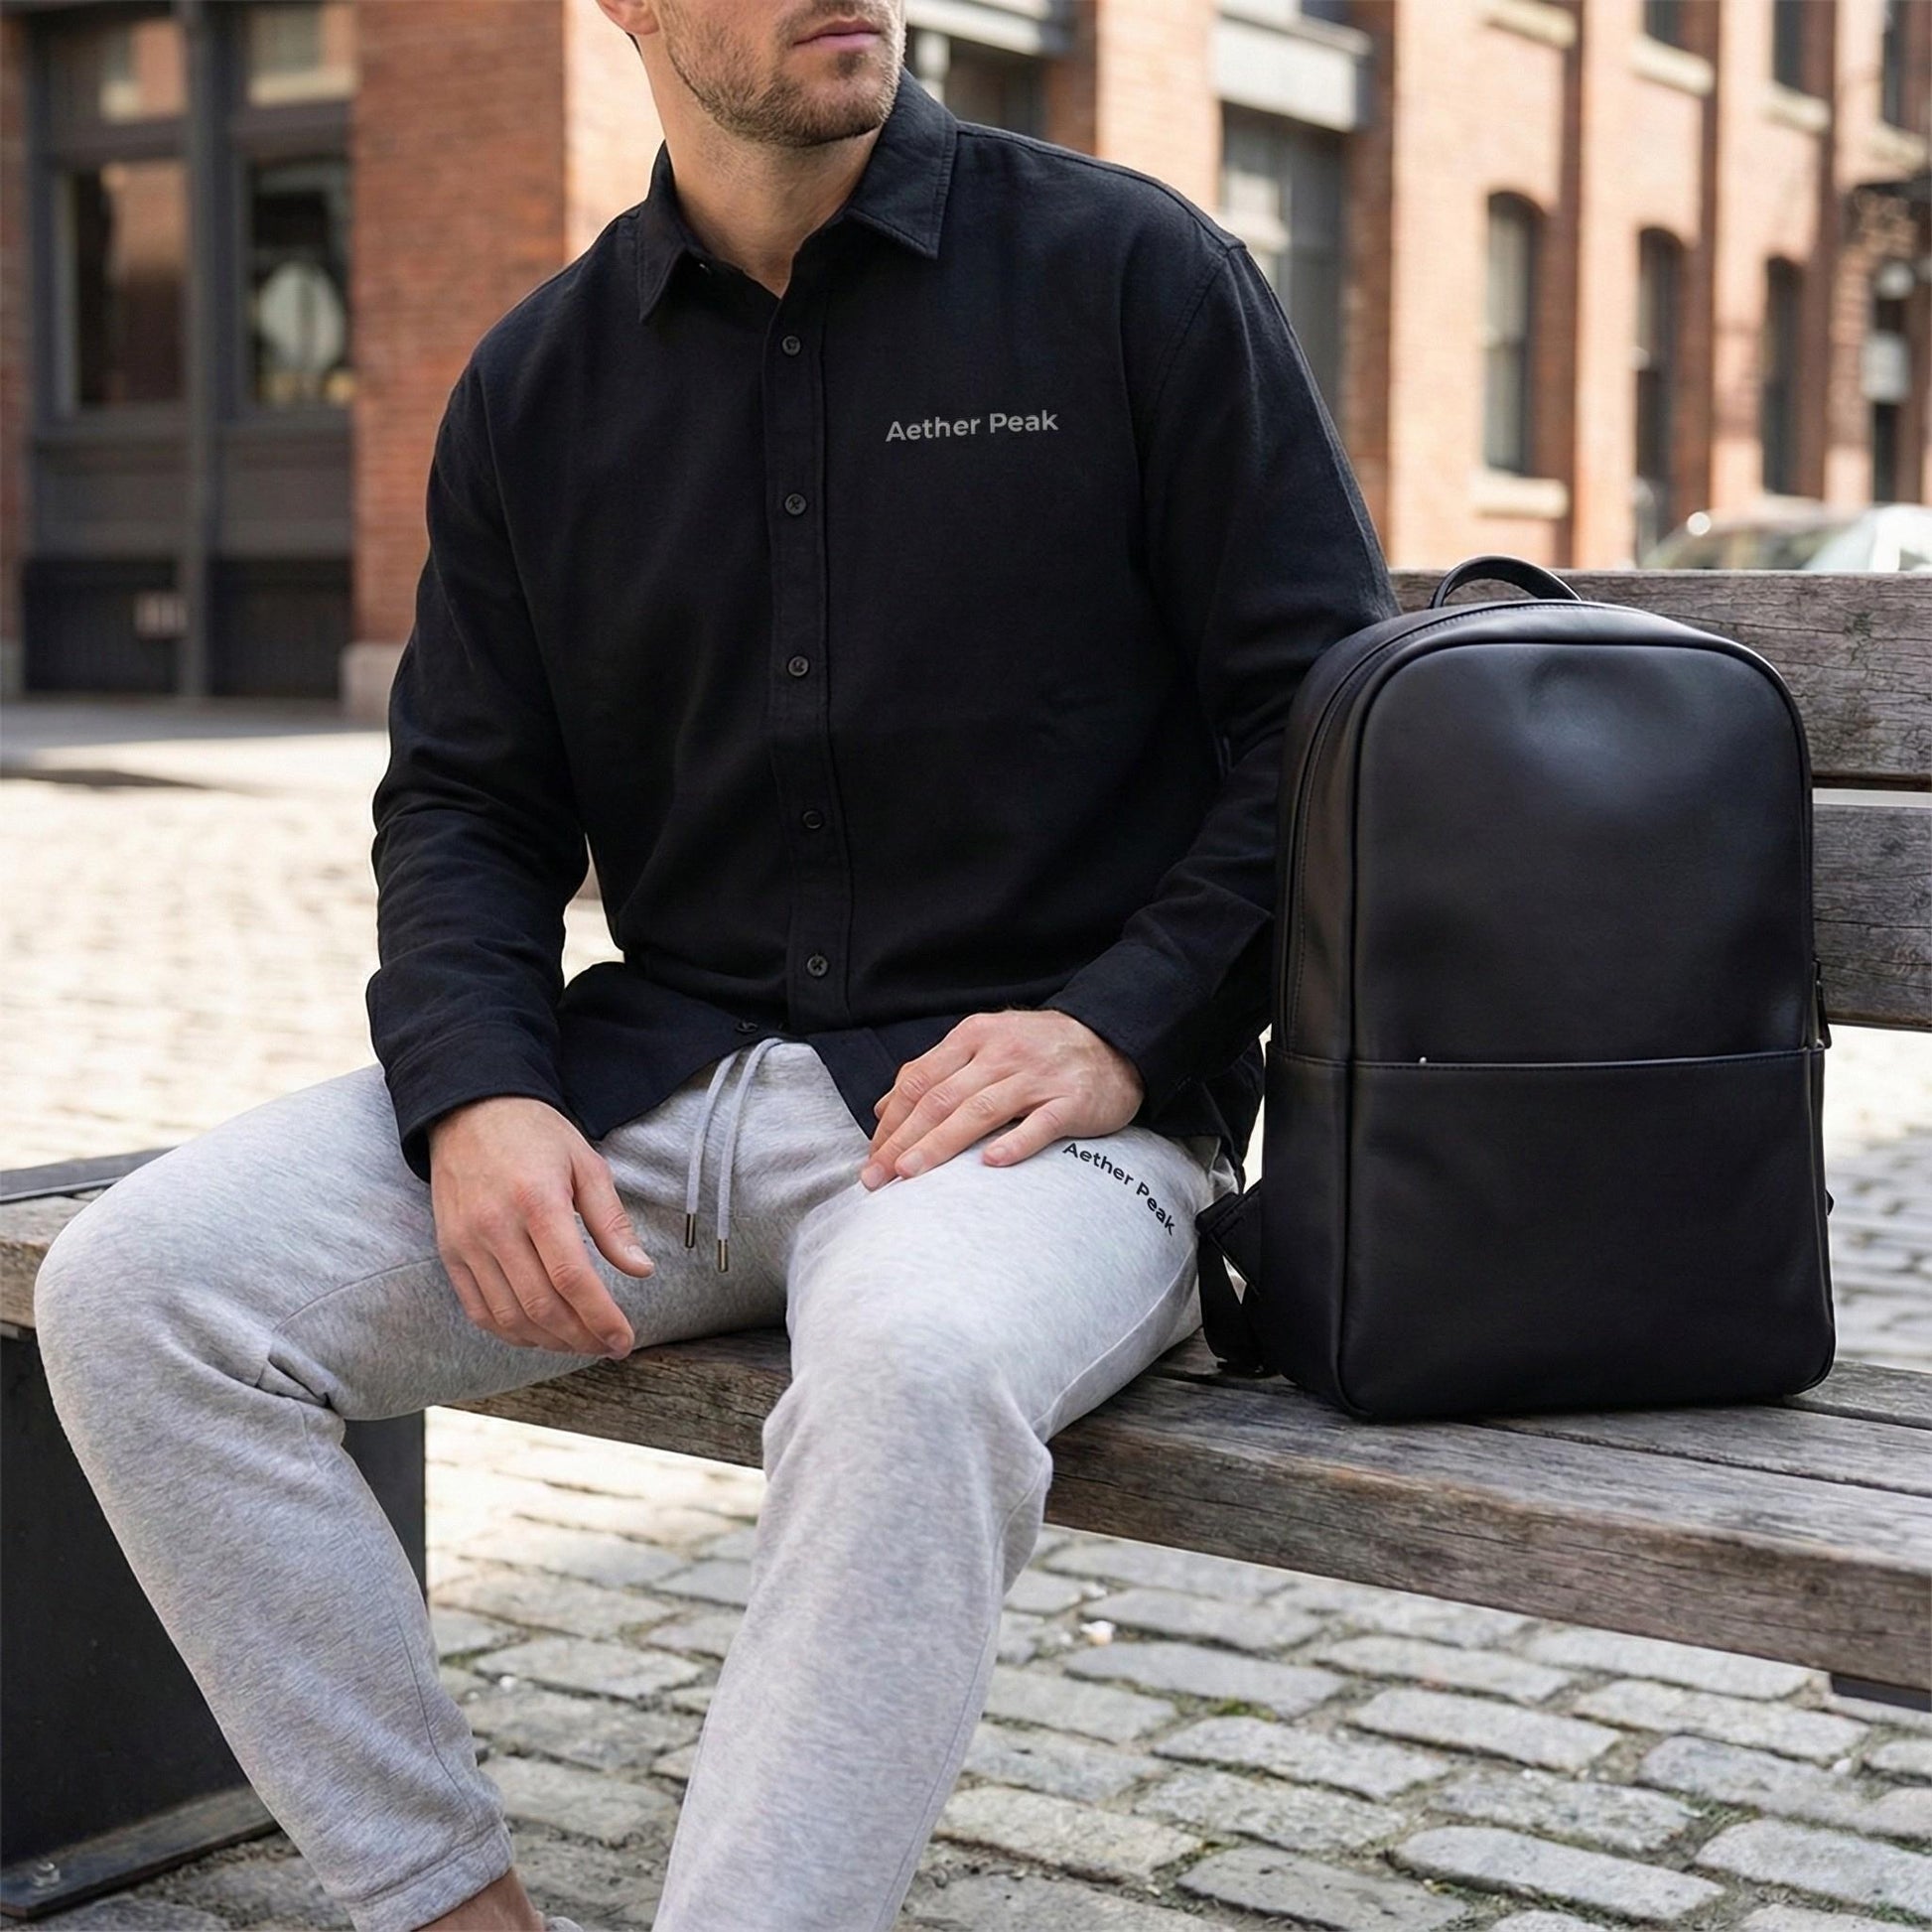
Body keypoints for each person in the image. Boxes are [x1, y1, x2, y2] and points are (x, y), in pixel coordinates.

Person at [32, 0, 1401, 1927]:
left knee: (910, 1371)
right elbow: (466, 807)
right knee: (139, 1292)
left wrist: (1122, 1019)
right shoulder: (540, 382)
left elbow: (1321, 724)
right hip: (647, 1094)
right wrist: (478, 1090)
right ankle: (441, 1901)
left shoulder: (1132, 277)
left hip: (1016, 1127)